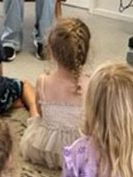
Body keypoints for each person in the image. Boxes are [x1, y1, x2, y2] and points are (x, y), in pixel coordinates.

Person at [20, 18, 90, 169]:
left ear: (50, 51)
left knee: (35, 116)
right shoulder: (90, 84)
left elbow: (40, 113)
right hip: (78, 148)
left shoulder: (43, 81)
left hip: (46, 146)